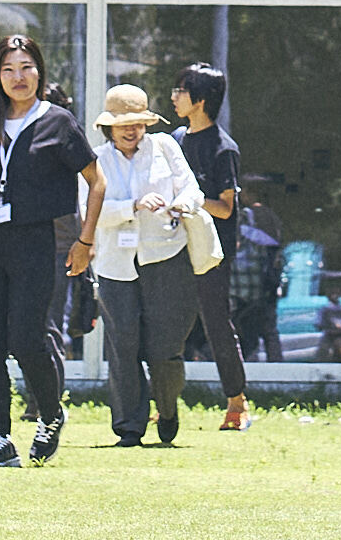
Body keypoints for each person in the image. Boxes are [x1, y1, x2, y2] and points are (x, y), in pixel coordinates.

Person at [0, 28, 87, 465]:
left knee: (28, 339)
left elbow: (97, 180)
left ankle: (50, 415)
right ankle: (0, 438)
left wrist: (86, 241)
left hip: (35, 241)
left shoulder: (57, 121)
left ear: (39, 72)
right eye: (8, 69)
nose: (18, 77)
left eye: (26, 68)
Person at [77, 78, 215, 446]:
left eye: (138, 124)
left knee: (166, 348)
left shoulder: (165, 146)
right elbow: (88, 213)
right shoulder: (96, 159)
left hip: (166, 257)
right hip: (115, 265)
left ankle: (167, 408)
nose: (132, 131)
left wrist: (182, 204)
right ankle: (129, 427)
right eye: (124, 125)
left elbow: (192, 189)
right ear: (109, 127)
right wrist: (132, 206)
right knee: (122, 346)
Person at [163, 63, 256, 433]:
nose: (174, 97)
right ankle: (164, 404)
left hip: (212, 252)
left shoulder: (223, 148)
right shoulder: (176, 139)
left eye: (180, 90)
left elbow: (226, 207)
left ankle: (237, 401)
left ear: (200, 100)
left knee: (216, 322)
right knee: (168, 324)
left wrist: (191, 200)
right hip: (175, 244)